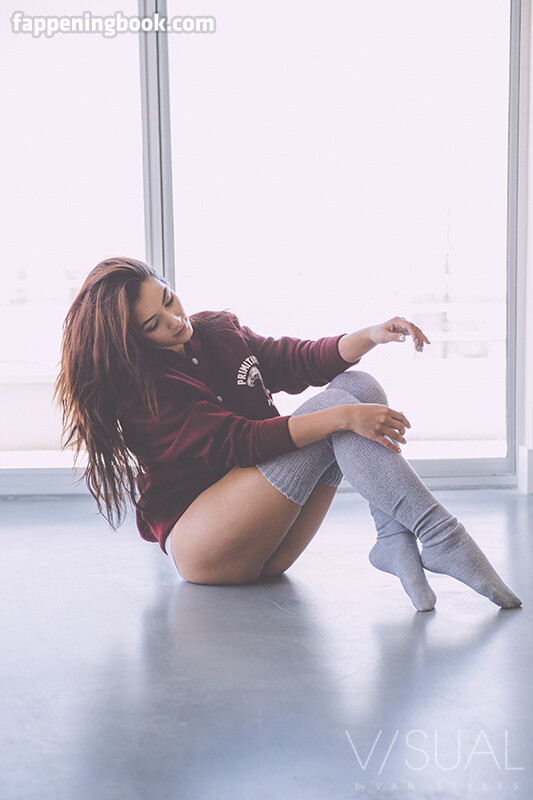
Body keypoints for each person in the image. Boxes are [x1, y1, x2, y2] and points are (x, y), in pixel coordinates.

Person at [54, 256, 522, 612]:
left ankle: (393, 537)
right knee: (341, 411)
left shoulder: (216, 330)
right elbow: (243, 441)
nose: (175, 320)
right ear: (133, 340)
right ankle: (440, 536)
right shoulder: (145, 394)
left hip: (270, 540)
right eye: (153, 324)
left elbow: (293, 360)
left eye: (168, 299)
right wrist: (344, 417)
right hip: (208, 547)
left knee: (359, 387)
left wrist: (371, 334)